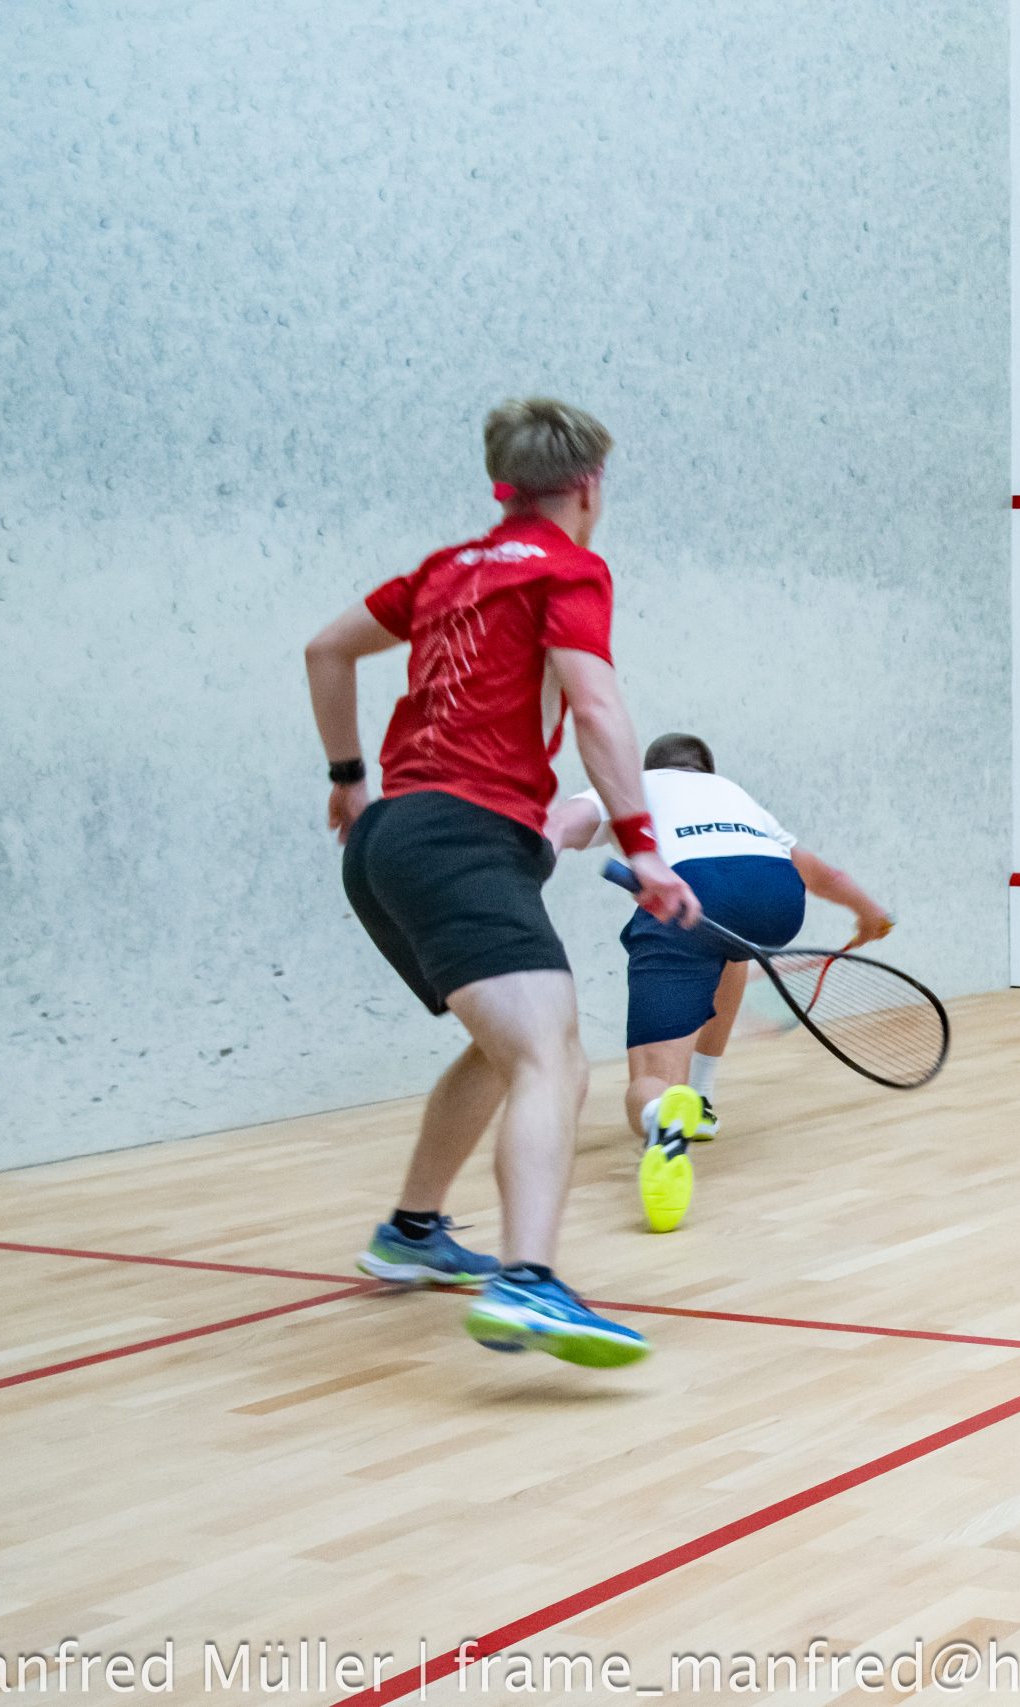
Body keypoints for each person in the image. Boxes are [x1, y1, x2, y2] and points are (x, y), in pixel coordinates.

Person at [303, 397, 696, 1367]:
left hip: (387, 841)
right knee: (553, 1060)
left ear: (503, 485)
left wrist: (348, 778)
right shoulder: (568, 568)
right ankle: (529, 1282)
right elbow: (596, 706)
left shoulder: (446, 569)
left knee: (504, 1048)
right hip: (461, 839)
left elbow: (326, 649)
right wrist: (644, 844)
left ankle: (413, 1232)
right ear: (589, 487)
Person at [545, 734, 892, 1231]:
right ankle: (701, 1101)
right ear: (705, 771)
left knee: (651, 1078)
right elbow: (823, 874)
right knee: (731, 947)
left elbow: (559, 824)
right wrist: (869, 913)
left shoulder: (634, 783)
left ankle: (662, 1117)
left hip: (693, 891)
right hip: (776, 896)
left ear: (651, 767)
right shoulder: (733, 794)